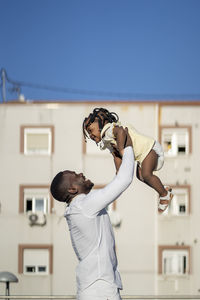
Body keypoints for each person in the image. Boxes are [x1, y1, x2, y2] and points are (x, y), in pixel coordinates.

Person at [50, 129, 134, 300]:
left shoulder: (81, 207)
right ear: (72, 189)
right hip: (100, 289)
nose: (81, 173)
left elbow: (118, 179)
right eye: (75, 176)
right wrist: (129, 145)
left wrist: (115, 151)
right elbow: (124, 180)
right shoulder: (83, 205)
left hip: (98, 286)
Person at [82, 107, 173, 213]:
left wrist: (121, 150)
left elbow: (121, 132)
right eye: (88, 134)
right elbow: (115, 155)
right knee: (141, 176)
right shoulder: (106, 139)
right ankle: (161, 188)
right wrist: (118, 171)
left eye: (90, 130)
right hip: (142, 156)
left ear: (102, 122)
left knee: (146, 174)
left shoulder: (109, 130)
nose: (90, 135)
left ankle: (164, 195)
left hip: (149, 149)